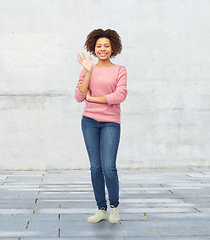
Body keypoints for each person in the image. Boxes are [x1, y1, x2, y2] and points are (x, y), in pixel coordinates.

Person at [75, 29, 127, 224]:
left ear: (112, 47)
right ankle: (101, 209)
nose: (102, 49)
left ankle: (114, 208)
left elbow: (119, 96)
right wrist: (88, 71)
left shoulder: (120, 70)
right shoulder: (87, 68)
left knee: (109, 168)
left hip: (111, 123)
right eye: (99, 46)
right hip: (89, 122)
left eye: (106, 46)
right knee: (95, 168)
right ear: (93, 48)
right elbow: (79, 96)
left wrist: (93, 98)